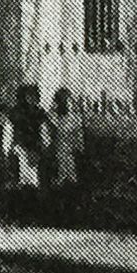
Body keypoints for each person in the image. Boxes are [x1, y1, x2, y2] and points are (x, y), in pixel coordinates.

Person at [0, 83, 48, 218]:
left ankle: (27, 215)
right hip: (19, 151)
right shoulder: (15, 113)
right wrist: (8, 150)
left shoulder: (39, 113)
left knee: (31, 184)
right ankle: (16, 214)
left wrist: (43, 147)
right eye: (29, 96)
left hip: (33, 151)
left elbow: (44, 133)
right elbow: (8, 132)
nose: (32, 99)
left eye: (34, 97)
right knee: (19, 183)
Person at [45, 86, 86, 224]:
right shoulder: (53, 118)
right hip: (56, 153)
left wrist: (79, 151)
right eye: (63, 100)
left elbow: (79, 139)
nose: (67, 103)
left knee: (70, 182)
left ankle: (70, 214)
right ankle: (57, 215)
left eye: (67, 100)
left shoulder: (74, 118)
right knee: (57, 182)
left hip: (70, 155)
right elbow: (47, 135)